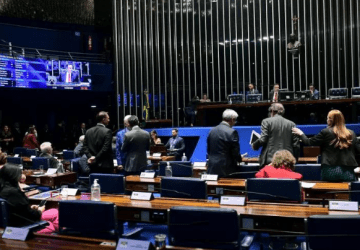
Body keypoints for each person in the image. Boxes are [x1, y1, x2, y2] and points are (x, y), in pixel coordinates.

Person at [292, 110, 360, 182]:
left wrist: (301, 134)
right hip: (348, 171)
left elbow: (309, 142)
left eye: (328, 118)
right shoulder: (351, 133)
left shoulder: (326, 132)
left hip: (330, 170)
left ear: (330, 120)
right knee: (347, 191)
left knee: (329, 191)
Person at [0, 164, 59, 234]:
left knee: (54, 211)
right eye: (19, 174)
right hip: (23, 227)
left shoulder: (3, 190)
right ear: (14, 176)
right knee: (54, 219)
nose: (20, 176)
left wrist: (30, 207)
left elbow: (17, 208)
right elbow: (30, 216)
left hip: (14, 223)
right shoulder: (13, 192)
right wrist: (39, 211)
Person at [252, 103, 299, 167]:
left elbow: (263, 139)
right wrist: (295, 159)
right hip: (287, 160)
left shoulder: (266, 121)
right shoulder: (292, 124)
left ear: (272, 111)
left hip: (271, 160)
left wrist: (255, 145)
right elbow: (296, 145)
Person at [207, 109, 243, 177]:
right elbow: (235, 152)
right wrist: (239, 158)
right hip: (226, 169)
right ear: (232, 119)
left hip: (212, 167)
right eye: (235, 120)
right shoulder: (232, 132)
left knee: (213, 187)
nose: (235, 122)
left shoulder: (212, 130)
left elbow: (209, 150)